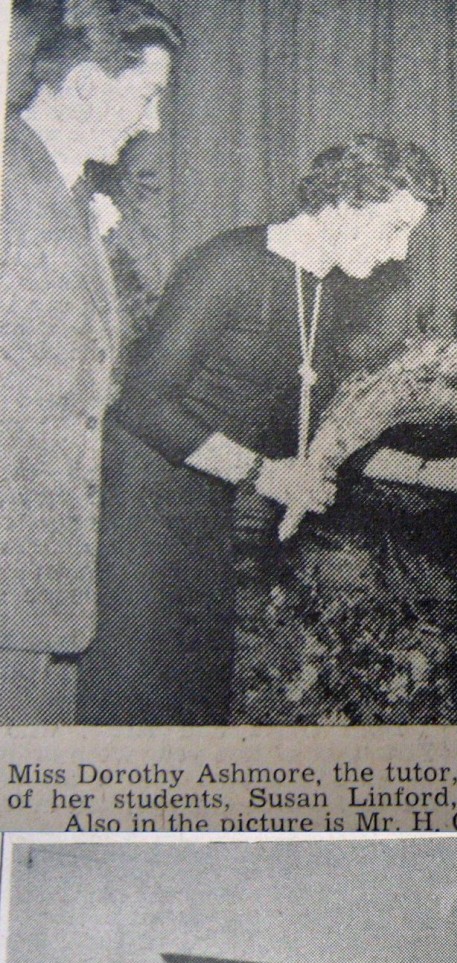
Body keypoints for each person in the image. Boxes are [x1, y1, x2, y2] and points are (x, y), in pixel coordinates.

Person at [77, 134, 445, 725]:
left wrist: (437, 472)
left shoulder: (333, 291)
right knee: (136, 695)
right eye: (394, 227)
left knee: (197, 695)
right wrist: (261, 473)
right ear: (343, 202)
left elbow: (318, 431)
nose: (400, 253)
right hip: (135, 506)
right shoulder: (229, 264)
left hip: (203, 505)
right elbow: (141, 405)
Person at [0, 1, 180, 723]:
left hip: (43, 588)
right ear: (81, 85)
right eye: (145, 95)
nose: (153, 124)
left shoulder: (69, 193)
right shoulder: (9, 186)